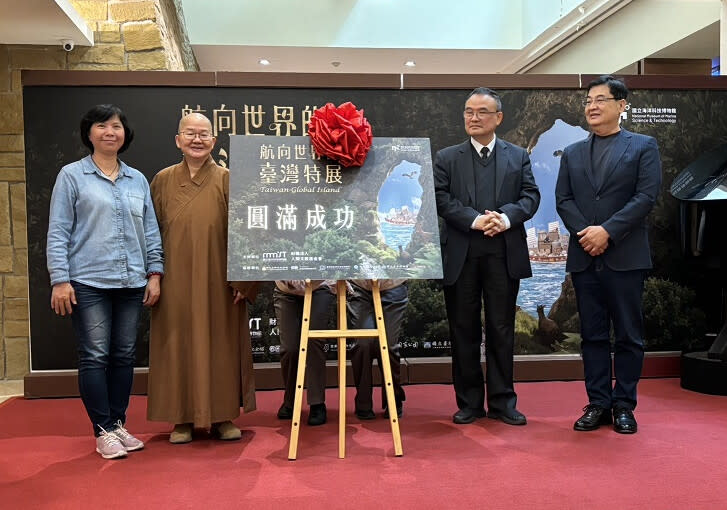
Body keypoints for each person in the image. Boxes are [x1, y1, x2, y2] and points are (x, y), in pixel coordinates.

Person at [47, 104, 163, 459]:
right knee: (95, 356)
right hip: (89, 281)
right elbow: (58, 231)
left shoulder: (137, 179)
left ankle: (118, 424)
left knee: (124, 356)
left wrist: (154, 273)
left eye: (116, 126)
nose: (110, 132)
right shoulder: (72, 176)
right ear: (90, 133)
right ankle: (102, 430)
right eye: (102, 126)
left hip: (131, 281)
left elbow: (150, 231)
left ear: (125, 135)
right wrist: (59, 280)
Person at [556, 75, 661, 434]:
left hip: (625, 255)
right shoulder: (571, 153)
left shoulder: (643, 146)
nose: (592, 106)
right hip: (586, 256)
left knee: (629, 335)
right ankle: (598, 402)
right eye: (588, 100)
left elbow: (645, 198)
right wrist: (588, 235)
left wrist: (608, 232)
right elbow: (564, 200)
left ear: (622, 105)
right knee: (593, 335)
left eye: (600, 99)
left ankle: (624, 405)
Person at [146, 113, 258, 443]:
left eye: (204, 134)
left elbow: (249, 235)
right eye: (190, 134)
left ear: (214, 140)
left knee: (221, 344)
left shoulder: (228, 178)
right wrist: (153, 275)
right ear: (178, 139)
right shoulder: (163, 180)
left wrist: (244, 281)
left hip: (220, 281)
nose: (197, 140)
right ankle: (181, 418)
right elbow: (149, 234)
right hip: (175, 281)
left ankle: (222, 415)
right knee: (176, 345)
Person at [434, 87, 540, 426]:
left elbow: (530, 196)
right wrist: (475, 219)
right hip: (462, 253)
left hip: (502, 251)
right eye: (468, 111)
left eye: (481, 112)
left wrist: (505, 218)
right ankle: (468, 402)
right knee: (463, 328)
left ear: (498, 118)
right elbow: (440, 198)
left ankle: (503, 401)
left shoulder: (517, 155)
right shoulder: (447, 157)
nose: (473, 118)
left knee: (501, 328)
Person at [274, 280, 335, 426]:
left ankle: (317, 403)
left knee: (314, 343)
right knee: (290, 348)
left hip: (320, 286)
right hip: (286, 289)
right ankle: (290, 400)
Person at [348, 279, 407, 420]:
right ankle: (363, 402)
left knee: (387, 346)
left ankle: (394, 398)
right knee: (363, 343)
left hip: (393, 283)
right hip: (359, 285)